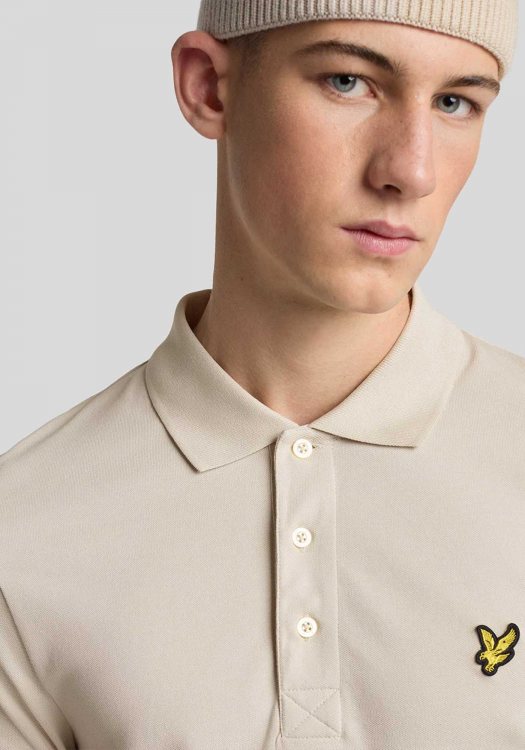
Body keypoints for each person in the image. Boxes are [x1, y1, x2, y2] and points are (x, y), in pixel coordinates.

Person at [0, 1, 523, 748]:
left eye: (454, 103)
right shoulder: (24, 533)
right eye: (347, 81)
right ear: (208, 86)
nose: (411, 170)